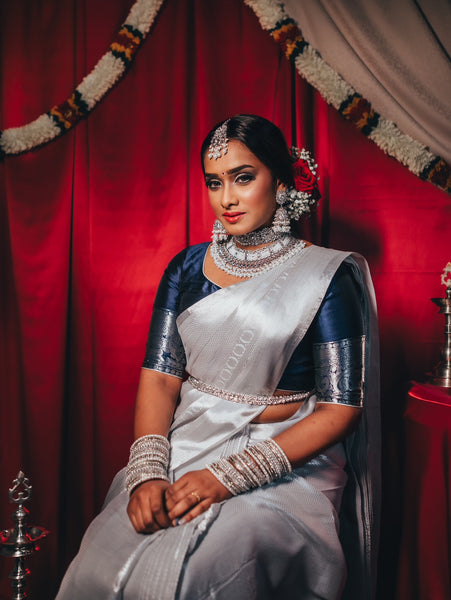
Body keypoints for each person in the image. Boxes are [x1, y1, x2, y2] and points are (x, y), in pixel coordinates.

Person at [56, 114, 380, 600]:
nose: (226, 198)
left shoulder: (326, 277)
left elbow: (341, 409)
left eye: (243, 178)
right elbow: (160, 378)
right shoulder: (186, 268)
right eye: (214, 182)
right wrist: (147, 472)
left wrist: (228, 477)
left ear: (281, 180)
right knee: (102, 562)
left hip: (286, 460)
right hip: (188, 443)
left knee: (202, 571)